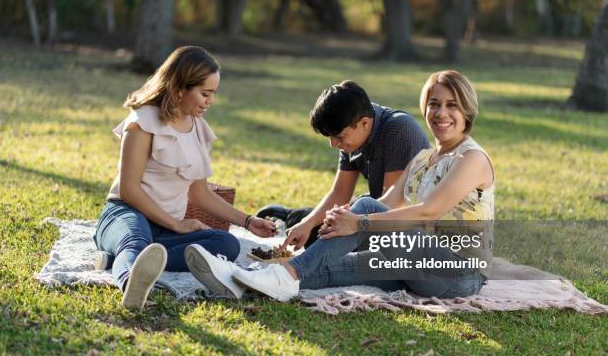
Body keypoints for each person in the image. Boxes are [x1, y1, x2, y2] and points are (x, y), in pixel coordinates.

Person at [190, 70, 495, 301]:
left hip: (459, 274)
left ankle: (287, 273)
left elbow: (428, 212)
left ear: (467, 110)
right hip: (418, 262)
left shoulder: (472, 158)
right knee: (327, 269)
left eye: (452, 105)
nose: (441, 113)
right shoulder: (425, 158)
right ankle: (243, 279)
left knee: (361, 209)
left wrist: (359, 220)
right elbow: (388, 203)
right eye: (434, 104)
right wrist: (341, 222)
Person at [93, 46, 276, 309]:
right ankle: (130, 281)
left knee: (226, 244)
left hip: (165, 229)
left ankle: (117, 259)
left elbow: (198, 193)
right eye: (205, 93)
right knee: (136, 239)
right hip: (126, 214)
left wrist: (248, 221)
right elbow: (129, 190)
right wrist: (177, 224)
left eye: (213, 94)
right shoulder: (142, 122)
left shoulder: (199, 129)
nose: (210, 101)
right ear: (179, 88)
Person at [258, 80, 430, 249]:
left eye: (339, 137)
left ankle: (294, 217)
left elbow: (389, 207)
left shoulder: (398, 128)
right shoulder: (352, 132)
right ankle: (296, 217)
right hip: (370, 214)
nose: (333, 144)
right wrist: (306, 223)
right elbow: (340, 193)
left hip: (407, 227)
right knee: (312, 230)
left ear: (364, 123)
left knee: (330, 238)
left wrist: (345, 222)